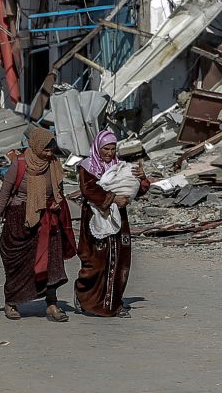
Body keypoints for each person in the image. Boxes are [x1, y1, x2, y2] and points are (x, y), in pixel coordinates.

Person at [0, 126, 76, 321]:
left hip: (48, 220)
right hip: (20, 220)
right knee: (17, 264)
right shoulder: (19, 163)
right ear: (35, 146)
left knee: (52, 262)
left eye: (52, 150)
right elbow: (3, 196)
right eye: (46, 150)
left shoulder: (54, 164)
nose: (49, 154)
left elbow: (59, 191)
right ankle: (12, 302)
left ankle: (51, 304)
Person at [74, 129, 149, 317]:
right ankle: (84, 296)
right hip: (95, 217)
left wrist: (141, 177)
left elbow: (137, 188)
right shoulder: (87, 166)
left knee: (119, 262)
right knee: (95, 260)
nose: (109, 153)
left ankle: (114, 303)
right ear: (98, 148)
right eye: (105, 149)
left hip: (119, 220)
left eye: (112, 149)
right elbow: (88, 190)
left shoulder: (121, 167)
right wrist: (113, 199)